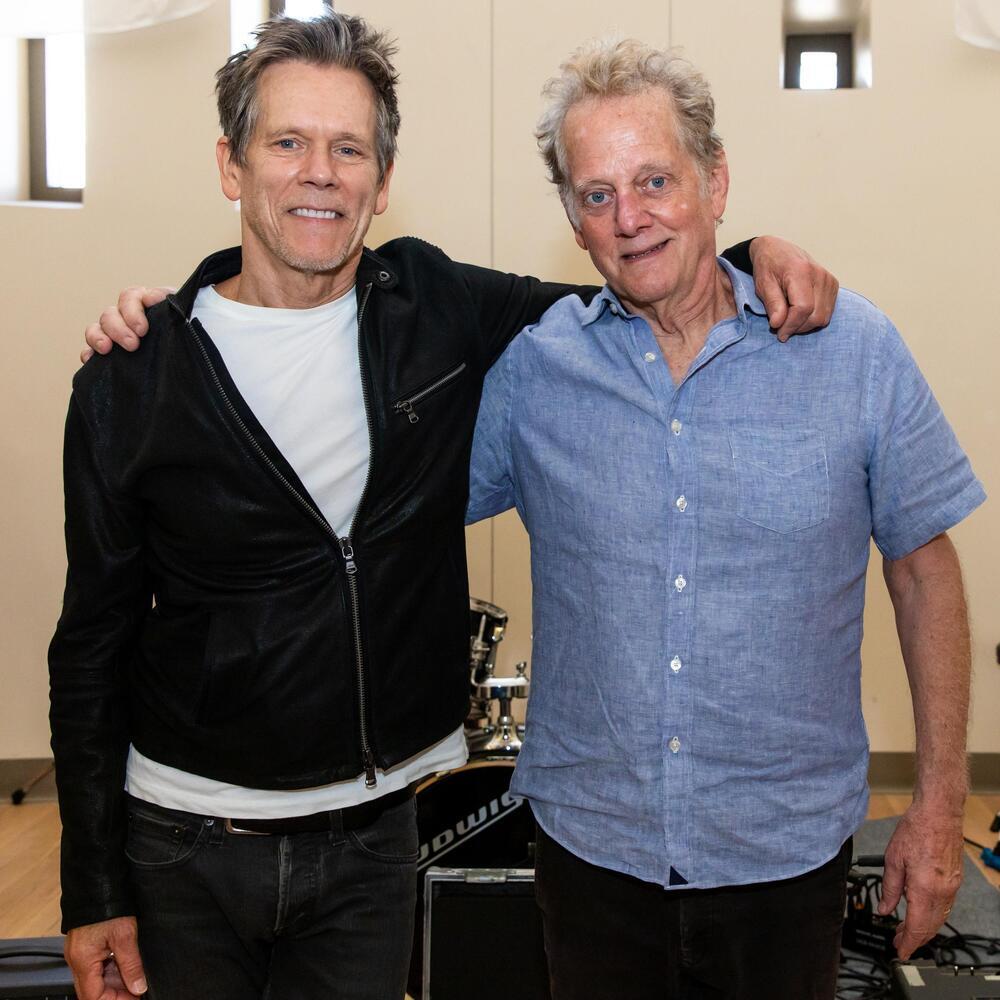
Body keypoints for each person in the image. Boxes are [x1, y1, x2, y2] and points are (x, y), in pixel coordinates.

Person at [58, 13, 837, 1000]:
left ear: (382, 179)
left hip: (372, 842)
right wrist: (91, 887)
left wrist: (748, 254)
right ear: (231, 165)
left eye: (349, 149)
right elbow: (90, 645)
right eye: (287, 142)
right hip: (182, 847)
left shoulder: (436, 308)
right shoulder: (135, 374)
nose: (319, 173)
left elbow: (628, 279)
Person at [465, 37, 986, 1000]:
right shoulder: (534, 373)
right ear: (573, 221)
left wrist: (939, 807)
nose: (630, 217)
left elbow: (926, 573)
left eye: (656, 180)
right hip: (592, 855)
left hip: (784, 860)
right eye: (596, 194)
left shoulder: (853, 351)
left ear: (717, 181)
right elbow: (387, 505)